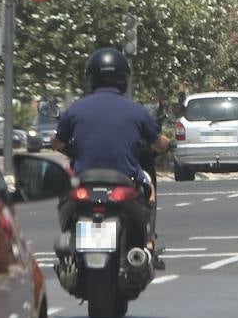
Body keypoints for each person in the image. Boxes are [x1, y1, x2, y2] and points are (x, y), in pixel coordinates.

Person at [52, 47, 169, 250]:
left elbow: (58, 142)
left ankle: (69, 242)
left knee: (63, 189)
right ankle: (148, 242)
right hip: (125, 179)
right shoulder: (137, 111)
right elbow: (159, 144)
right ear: (123, 78)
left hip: (84, 181)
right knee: (149, 188)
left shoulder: (76, 108)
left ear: (92, 78)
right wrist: (167, 143)